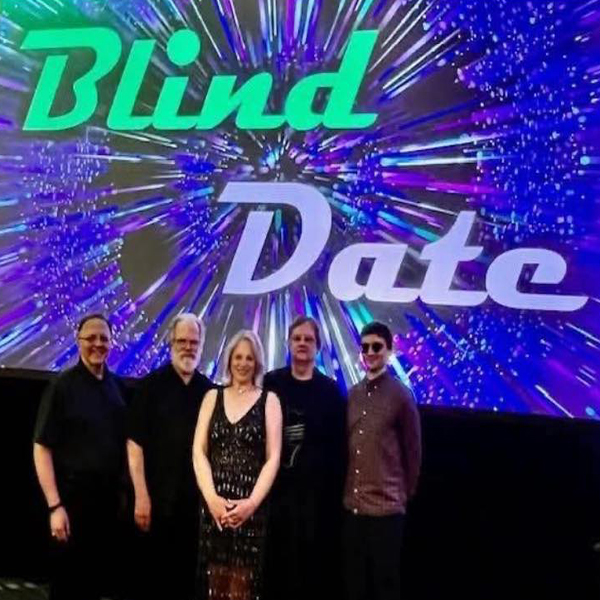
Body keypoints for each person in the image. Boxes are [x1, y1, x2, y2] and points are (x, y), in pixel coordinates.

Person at [33, 314, 127, 600]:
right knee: (68, 587)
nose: (98, 344)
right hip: (71, 506)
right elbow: (41, 448)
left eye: (104, 338)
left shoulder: (117, 388)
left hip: (107, 507)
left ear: (112, 343)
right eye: (91, 338)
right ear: (78, 341)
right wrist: (55, 507)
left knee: (95, 587)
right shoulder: (61, 387)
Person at [127, 313, 213, 600]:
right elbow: (134, 444)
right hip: (154, 502)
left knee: (186, 582)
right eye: (182, 341)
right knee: (153, 580)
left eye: (194, 342)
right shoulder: (149, 387)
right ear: (171, 343)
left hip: (194, 508)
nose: (188, 347)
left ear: (201, 346)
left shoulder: (210, 392)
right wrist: (141, 495)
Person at [193, 330, 282, 600]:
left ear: (257, 363)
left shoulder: (269, 401)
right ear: (229, 360)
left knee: (240, 587)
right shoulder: (212, 397)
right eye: (238, 357)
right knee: (215, 583)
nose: (243, 363)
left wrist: (250, 504)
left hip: (250, 509)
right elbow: (198, 451)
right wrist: (212, 499)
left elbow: (273, 458)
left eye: (249, 358)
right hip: (215, 507)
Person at [263, 316, 347, 600]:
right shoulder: (271, 383)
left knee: (312, 570)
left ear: (318, 347)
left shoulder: (330, 391)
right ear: (288, 343)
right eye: (297, 338)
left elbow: (339, 448)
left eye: (308, 339)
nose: (302, 343)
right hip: (276, 496)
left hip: (317, 501)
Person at [343, 321, 422, 600]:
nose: (370, 352)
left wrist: (400, 495)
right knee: (354, 585)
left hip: (387, 513)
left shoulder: (401, 395)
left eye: (377, 346)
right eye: (365, 347)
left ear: (389, 351)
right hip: (354, 509)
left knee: (384, 587)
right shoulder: (352, 395)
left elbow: (413, 451)